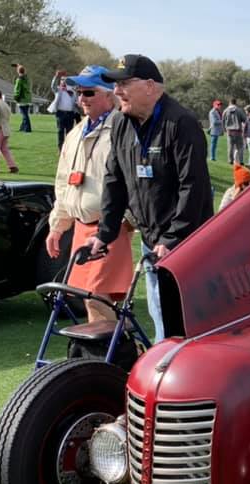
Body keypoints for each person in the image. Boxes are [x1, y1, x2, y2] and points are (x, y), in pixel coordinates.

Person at [95, 54, 213, 343]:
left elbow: (193, 186)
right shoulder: (122, 123)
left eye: (124, 84)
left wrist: (173, 238)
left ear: (150, 86)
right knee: (160, 311)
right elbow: (114, 179)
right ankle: (164, 368)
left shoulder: (181, 123)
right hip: (151, 240)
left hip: (187, 243)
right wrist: (105, 233)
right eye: (115, 85)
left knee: (184, 318)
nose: (117, 91)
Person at [46, 66, 133, 324]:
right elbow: (64, 183)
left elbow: (133, 184)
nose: (81, 98)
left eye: (88, 92)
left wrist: (123, 221)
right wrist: (58, 226)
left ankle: (109, 358)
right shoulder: (74, 133)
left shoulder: (122, 130)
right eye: (78, 92)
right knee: (91, 297)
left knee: (97, 296)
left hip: (109, 226)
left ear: (109, 96)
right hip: (82, 228)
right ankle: (124, 353)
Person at [50, 71, 78, 150]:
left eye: (65, 79)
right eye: (62, 79)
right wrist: (56, 76)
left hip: (70, 114)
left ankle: (68, 148)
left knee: (69, 132)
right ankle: (60, 148)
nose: (63, 81)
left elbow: (76, 100)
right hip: (60, 113)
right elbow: (53, 86)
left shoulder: (73, 91)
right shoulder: (58, 89)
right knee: (60, 131)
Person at [222, 98, 244, 164]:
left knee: (230, 147)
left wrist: (224, 130)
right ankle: (241, 161)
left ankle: (230, 160)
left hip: (229, 131)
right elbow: (244, 119)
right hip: (238, 131)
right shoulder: (239, 110)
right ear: (235, 103)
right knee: (240, 147)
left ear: (229, 103)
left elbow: (223, 121)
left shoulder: (225, 110)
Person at [13, 65, 32, 132]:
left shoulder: (19, 79)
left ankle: (27, 128)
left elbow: (17, 89)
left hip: (22, 98)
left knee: (24, 114)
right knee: (25, 113)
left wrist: (16, 97)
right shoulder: (27, 78)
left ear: (18, 71)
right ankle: (22, 127)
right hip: (28, 98)